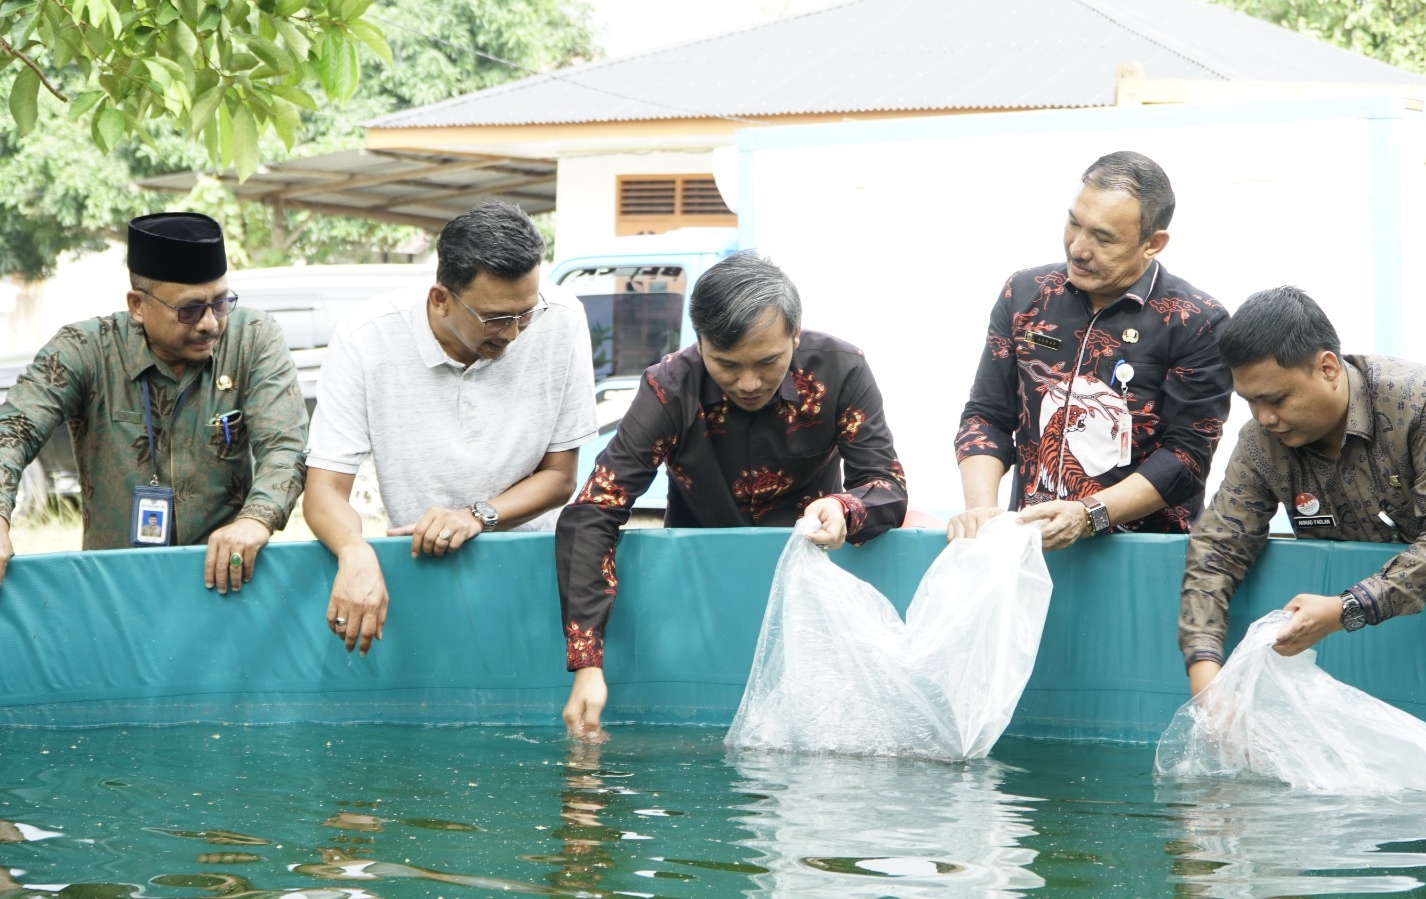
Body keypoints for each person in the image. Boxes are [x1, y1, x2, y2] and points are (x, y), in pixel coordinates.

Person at [556, 252, 908, 738]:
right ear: (699, 341)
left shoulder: (841, 370)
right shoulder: (668, 389)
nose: (748, 383)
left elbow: (886, 485)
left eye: (768, 362)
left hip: (807, 577)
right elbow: (595, 509)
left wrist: (846, 507)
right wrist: (588, 664)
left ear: (795, 334)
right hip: (698, 584)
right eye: (725, 364)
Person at [1178, 286, 1426, 695]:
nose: (1265, 417)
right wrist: (1206, 678)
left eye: (1276, 399)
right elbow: (1217, 551)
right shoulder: (1262, 443)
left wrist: (1344, 607)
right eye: (1250, 402)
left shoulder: (1422, 400)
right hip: (1391, 602)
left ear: (1328, 368)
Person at [303, 202, 597, 655]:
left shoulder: (562, 318)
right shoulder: (365, 336)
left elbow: (561, 477)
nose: (514, 333)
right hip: (422, 570)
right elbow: (323, 491)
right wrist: (353, 550)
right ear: (440, 298)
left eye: (525, 313)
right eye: (495, 318)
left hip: (535, 568)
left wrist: (473, 516)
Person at [0, 212, 307, 594]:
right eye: (189, 309)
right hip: (118, 592)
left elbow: (285, 444)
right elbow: (13, 430)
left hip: (226, 584)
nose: (210, 323)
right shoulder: (85, 349)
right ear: (138, 305)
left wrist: (255, 521)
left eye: (221, 303)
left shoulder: (252, 339)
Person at [949, 150, 1231, 550]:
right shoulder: (1025, 295)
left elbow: (1185, 459)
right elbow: (986, 416)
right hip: (1030, 546)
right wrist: (981, 510)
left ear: (1153, 243)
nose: (1078, 248)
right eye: (1073, 223)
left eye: (1103, 237)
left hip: (1142, 557)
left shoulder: (1196, 321)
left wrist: (1088, 514)